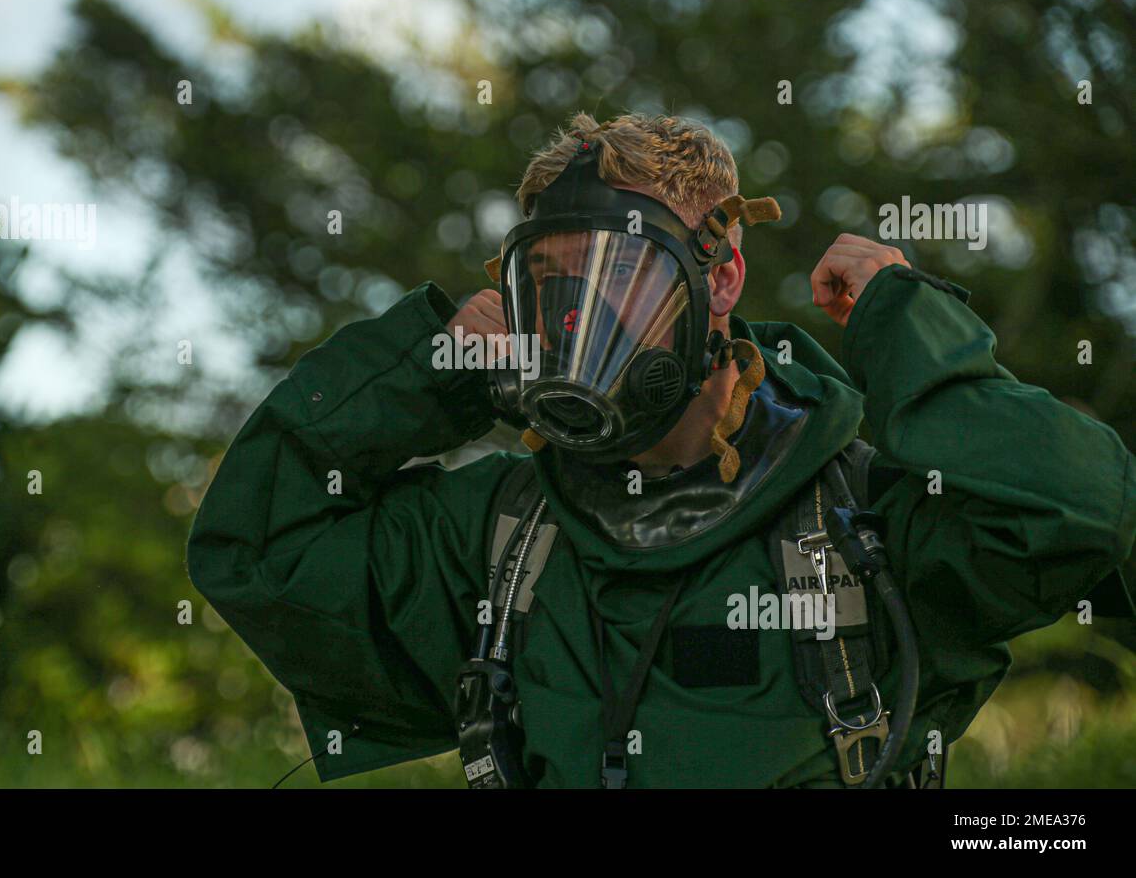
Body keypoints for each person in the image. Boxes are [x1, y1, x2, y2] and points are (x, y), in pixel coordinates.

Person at [187, 112, 1135, 788]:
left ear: (721, 275)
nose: (581, 318)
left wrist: (903, 324)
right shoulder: (500, 536)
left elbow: (1081, 508)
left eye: (621, 277)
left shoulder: (866, 518)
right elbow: (257, 550)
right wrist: (430, 368)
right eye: (555, 285)